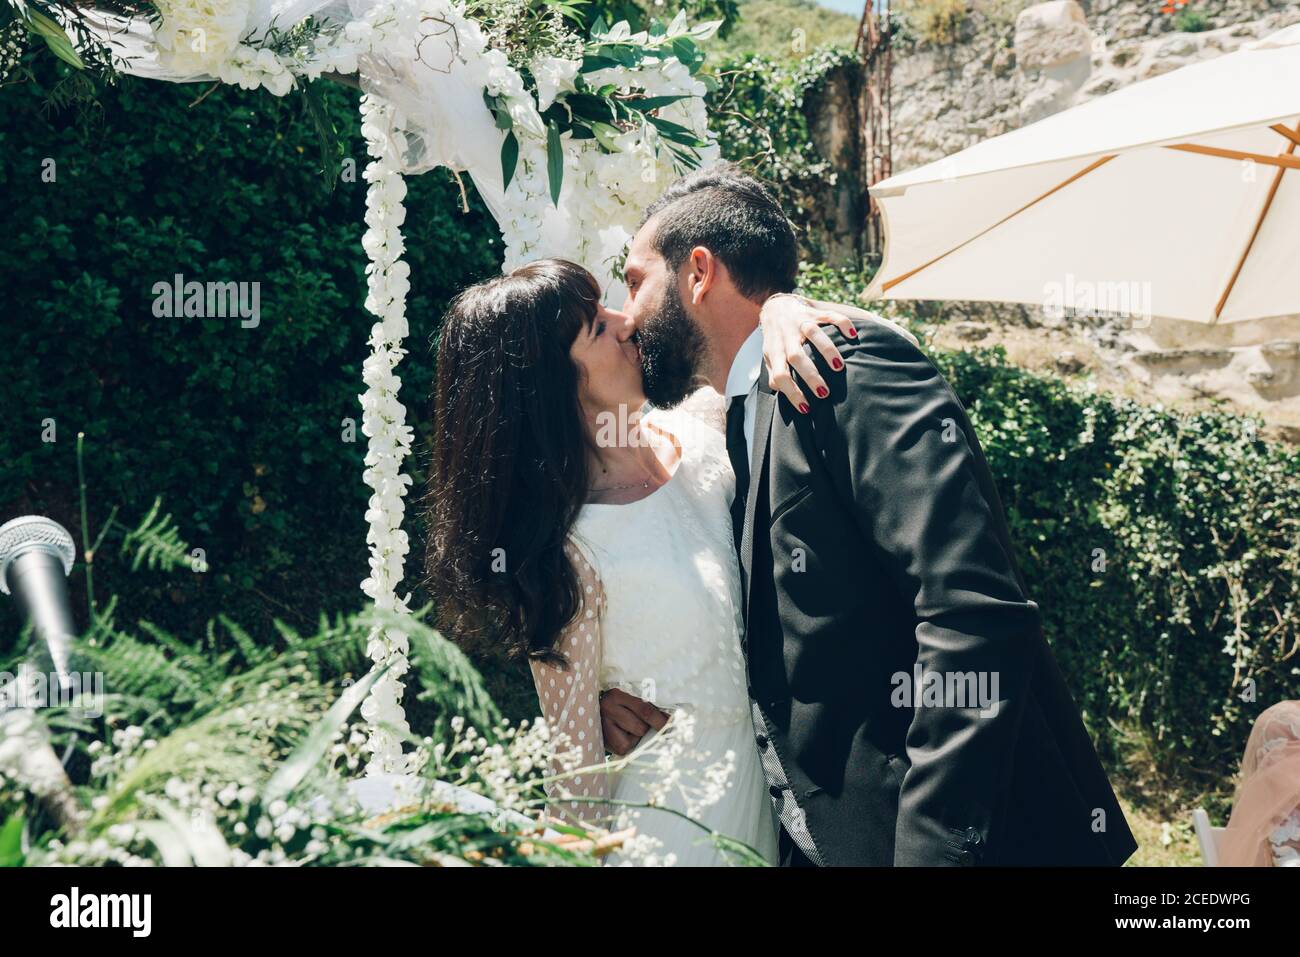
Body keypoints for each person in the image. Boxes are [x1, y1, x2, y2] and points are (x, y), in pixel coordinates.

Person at [601, 162, 1139, 866]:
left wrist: (931, 852)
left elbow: (973, 614)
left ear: (698, 272)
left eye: (636, 281)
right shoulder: (737, 410)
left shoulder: (848, 363)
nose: (626, 314)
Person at [424, 257, 857, 865]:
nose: (626, 321)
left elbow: (750, 347)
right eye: (596, 327)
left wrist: (781, 308)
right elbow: (576, 786)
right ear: (552, 384)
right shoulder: (569, 553)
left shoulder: (704, 434)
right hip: (670, 837)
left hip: (771, 810)